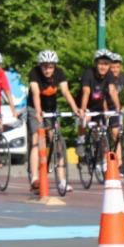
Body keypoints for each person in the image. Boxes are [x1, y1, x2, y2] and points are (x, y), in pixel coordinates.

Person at [32, 50, 84, 186]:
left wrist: (75, 109)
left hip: (51, 108)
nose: (47, 70)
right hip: (35, 107)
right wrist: (38, 112)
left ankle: (62, 181)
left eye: (50, 67)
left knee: (57, 141)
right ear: (40, 66)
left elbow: (66, 92)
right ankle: (34, 176)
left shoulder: (59, 73)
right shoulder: (34, 73)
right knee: (36, 139)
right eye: (44, 67)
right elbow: (36, 94)